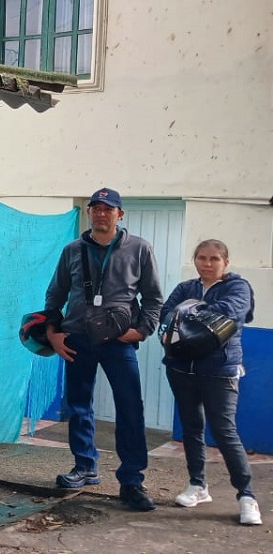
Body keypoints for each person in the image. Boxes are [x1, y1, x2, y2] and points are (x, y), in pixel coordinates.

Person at [44, 187, 163, 512]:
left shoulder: (139, 249)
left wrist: (141, 330)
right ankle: (85, 467)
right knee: (78, 405)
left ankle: (132, 480)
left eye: (108, 209)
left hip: (118, 342)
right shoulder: (72, 250)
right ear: (89, 213)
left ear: (119, 214)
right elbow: (55, 295)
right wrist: (54, 334)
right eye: (95, 208)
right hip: (77, 340)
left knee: (130, 408)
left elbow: (154, 298)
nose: (100, 213)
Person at [160, 240, 260, 525]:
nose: (207, 263)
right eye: (201, 258)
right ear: (195, 260)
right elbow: (167, 314)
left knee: (224, 431)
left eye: (214, 258)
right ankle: (198, 485)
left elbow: (226, 314)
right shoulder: (185, 287)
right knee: (191, 427)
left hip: (220, 370)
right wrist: (185, 317)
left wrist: (187, 314)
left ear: (225, 262)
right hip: (181, 368)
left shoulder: (238, 287)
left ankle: (247, 496)